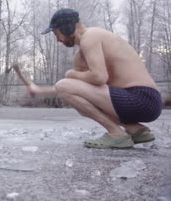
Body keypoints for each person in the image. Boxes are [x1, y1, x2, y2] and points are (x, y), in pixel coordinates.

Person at [27, 8, 162, 149]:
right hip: (141, 101)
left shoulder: (90, 36)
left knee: (66, 85)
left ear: (67, 27)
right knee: (80, 102)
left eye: (57, 34)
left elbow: (99, 77)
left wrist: (71, 74)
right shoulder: (82, 53)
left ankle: (116, 134)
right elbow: (72, 90)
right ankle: (136, 130)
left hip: (142, 98)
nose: (57, 40)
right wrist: (39, 90)